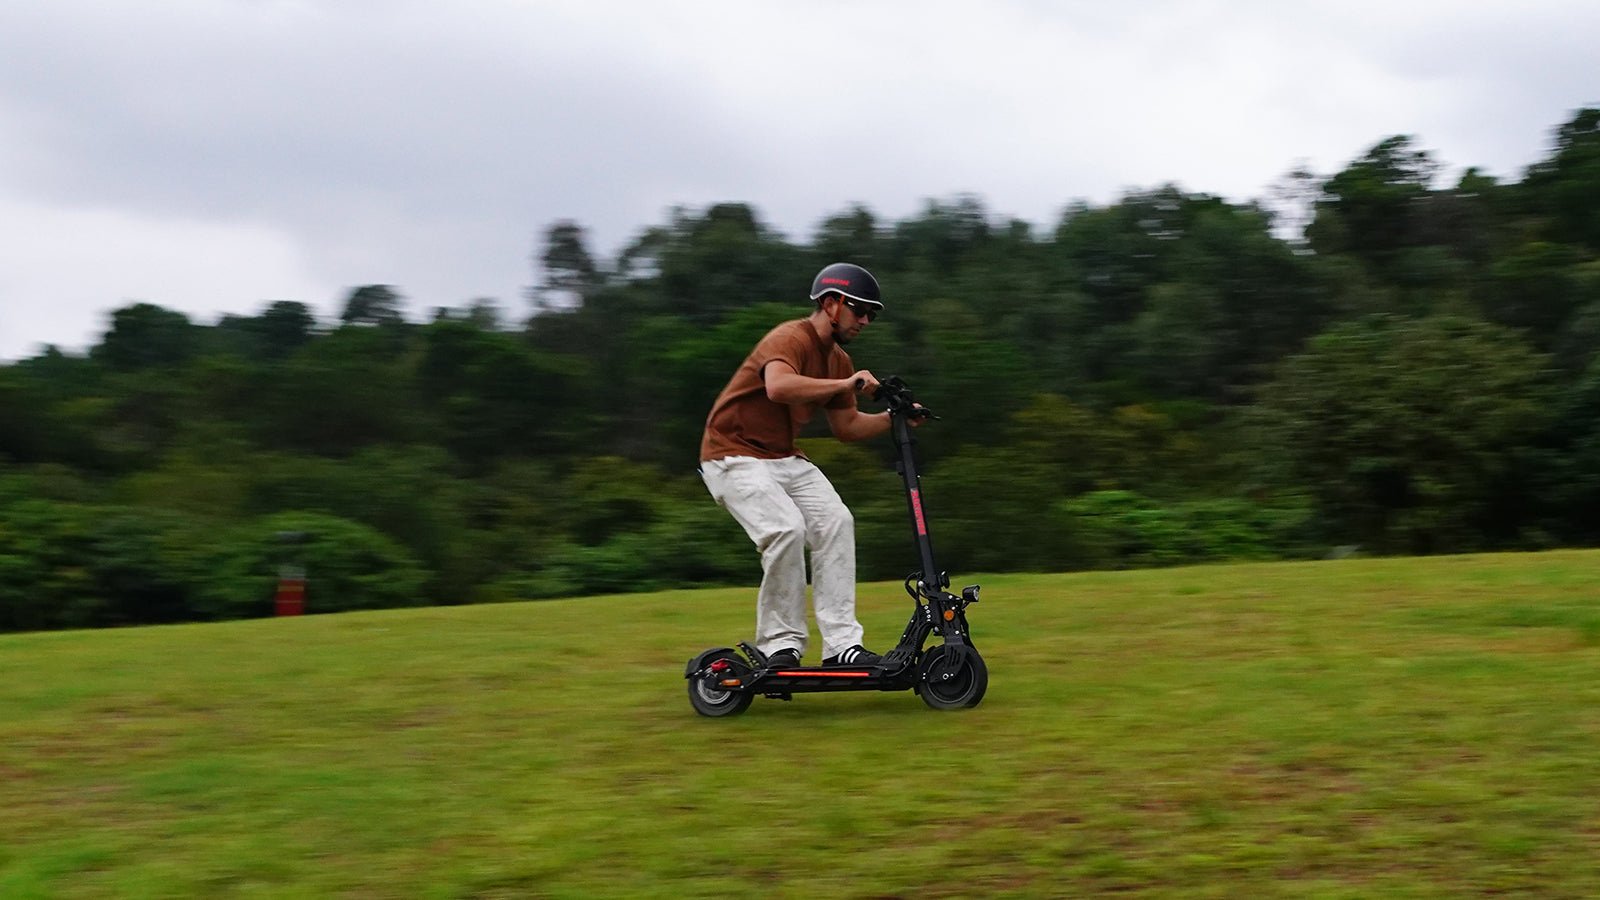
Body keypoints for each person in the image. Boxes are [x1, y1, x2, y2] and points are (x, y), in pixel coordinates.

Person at [698, 262, 918, 669]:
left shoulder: (839, 361)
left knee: (837, 522)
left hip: (783, 457)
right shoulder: (790, 337)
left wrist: (895, 418)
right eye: (859, 310)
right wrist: (847, 385)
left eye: (871, 315)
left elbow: (847, 427)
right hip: (731, 454)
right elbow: (778, 386)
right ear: (832, 304)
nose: (865, 321)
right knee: (786, 529)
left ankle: (842, 647)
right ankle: (779, 645)